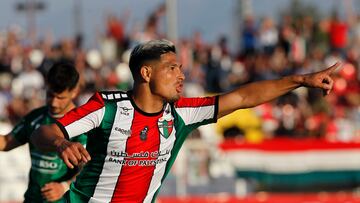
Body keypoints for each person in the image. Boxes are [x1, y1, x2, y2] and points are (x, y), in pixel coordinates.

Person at [31, 39, 340, 203]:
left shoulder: (181, 113)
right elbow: (43, 132)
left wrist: (300, 79)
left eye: (180, 68)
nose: (181, 75)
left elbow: (244, 97)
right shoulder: (106, 108)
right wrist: (60, 142)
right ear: (146, 73)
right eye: (172, 68)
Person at [0, 62, 87, 202]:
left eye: (60, 98)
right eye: (50, 95)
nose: (53, 102)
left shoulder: (84, 124)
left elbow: (90, 170)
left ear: (75, 92)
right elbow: (5, 142)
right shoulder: (35, 117)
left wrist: (64, 186)